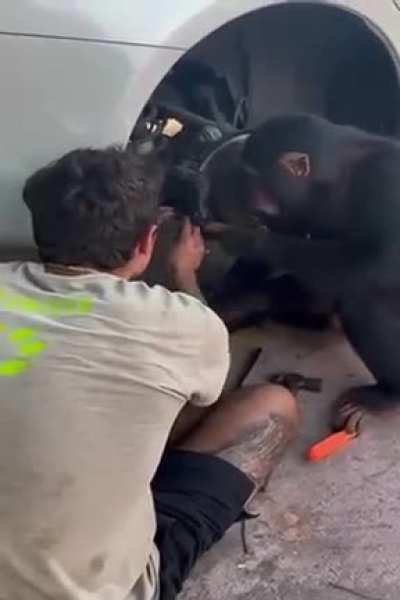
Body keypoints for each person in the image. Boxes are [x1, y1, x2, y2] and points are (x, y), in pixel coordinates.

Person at [0, 147, 299, 600]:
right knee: (273, 407)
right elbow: (205, 392)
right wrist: (184, 274)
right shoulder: (182, 324)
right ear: (147, 241)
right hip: (96, 590)